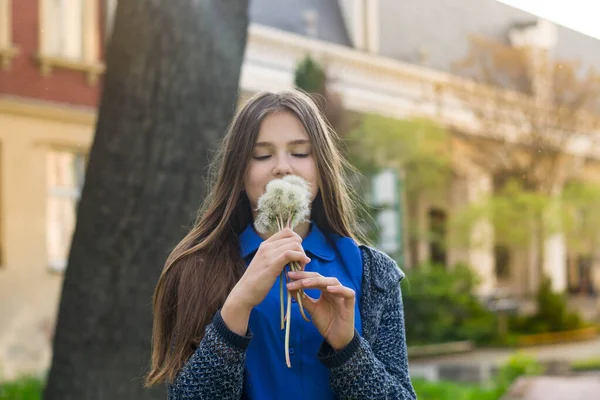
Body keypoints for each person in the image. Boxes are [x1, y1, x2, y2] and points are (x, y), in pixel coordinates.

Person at [144, 90, 417, 399]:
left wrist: (348, 348)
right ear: (239, 171)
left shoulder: (373, 273)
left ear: (321, 167)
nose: (282, 167)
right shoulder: (195, 270)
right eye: (262, 155)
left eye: (300, 152)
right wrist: (237, 307)